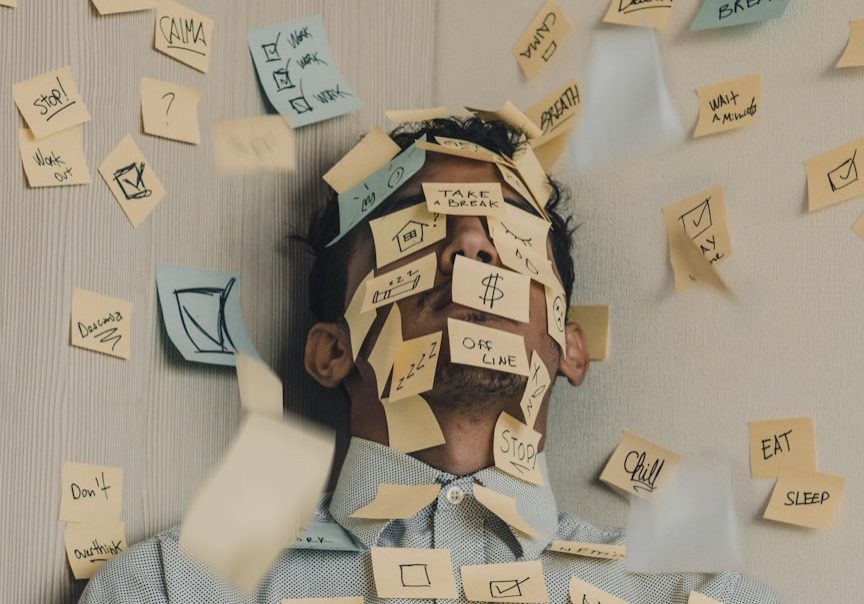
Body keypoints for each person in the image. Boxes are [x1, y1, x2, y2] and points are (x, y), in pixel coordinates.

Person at [79, 117, 783, 603]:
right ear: (332, 351)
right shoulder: (178, 588)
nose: (471, 246)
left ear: (570, 347)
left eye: (508, 231)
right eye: (419, 223)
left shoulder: (695, 596)